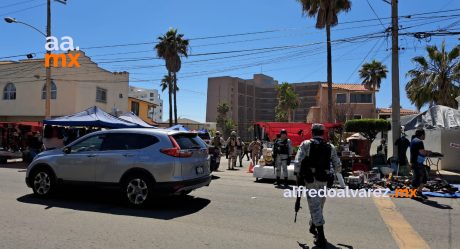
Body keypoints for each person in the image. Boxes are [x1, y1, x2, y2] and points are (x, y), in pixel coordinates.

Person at [294, 124, 342, 248]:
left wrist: (299, 176)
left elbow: (297, 162)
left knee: (315, 207)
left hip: (311, 180)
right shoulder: (330, 146)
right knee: (318, 206)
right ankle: (315, 228)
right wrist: (332, 174)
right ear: (322, 133)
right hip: (324, 180)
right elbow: (338, 166)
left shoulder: (306, 144)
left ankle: (320, 236)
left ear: (312, 132)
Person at [410, 129, 431, 200]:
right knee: (417, 179)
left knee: (424, 177)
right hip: (417, 163)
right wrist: (428, 153)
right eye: (424, 135)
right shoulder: (419, 142)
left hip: (416, 162)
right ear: (422, 135)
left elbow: (418, 151)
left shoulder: (413, 140)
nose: (425, 136)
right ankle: (413, 195)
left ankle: (419, 191)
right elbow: (422, 152)